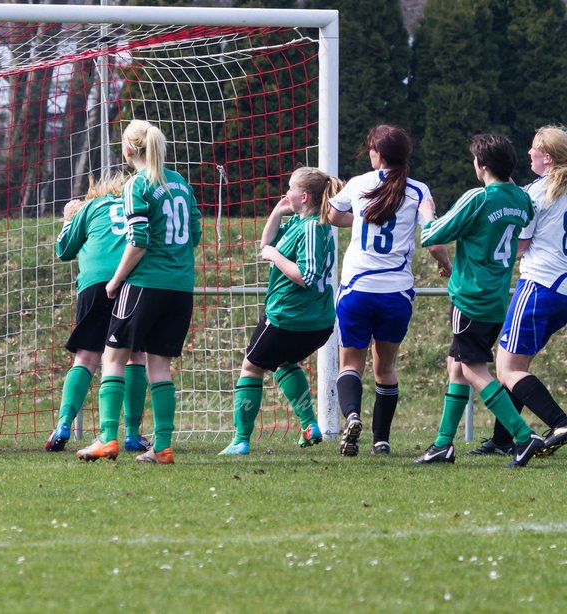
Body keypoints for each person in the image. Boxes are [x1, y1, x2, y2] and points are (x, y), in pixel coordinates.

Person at [414, 133, 544, 467]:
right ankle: (443, 444)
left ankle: (523, 435)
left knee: (472, 370)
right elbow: (517, 217)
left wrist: (427, 212)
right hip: (497, 298)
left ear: (481, 165)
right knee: (456, 366)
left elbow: (432, 234)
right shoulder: (521, 200)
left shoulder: (478, 198)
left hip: (470, 297)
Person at [77, 120, 201, 465]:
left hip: (146, 284)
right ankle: (162, 447)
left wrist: (115, 281)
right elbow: (195, 232)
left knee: (113, 357)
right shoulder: (180, 184)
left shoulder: (136, 185)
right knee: (159, 366)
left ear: (129, 149)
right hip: (181, 288)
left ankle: (107, 438)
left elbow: (139, 242)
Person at [326, 125, 451, 457]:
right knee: (386, 369)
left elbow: (333, 214)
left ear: (377, 155)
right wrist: (445, 264)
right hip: (396, 294)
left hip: (357, 290)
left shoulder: (358, 183)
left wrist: (365, 219)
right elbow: (434, 237)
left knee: (350, 365)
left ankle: (352, 416)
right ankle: (381, 440)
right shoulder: (418, 190)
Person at [220, 167, 341, 456]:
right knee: (285, 362)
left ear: (305, 196)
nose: (285, 192)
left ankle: (240, 440)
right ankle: (310, 425)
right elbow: (265, 245)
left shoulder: (313, 227)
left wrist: (275, 256)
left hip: (289, 317)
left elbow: (307, 276)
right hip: (311, 321)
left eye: (289, 188)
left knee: (251, 367)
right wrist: (277, 213)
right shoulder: (301, 224)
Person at [48, 173, 151, 454]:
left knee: (86, 356)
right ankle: (131, 433)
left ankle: (63, 424)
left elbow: (64, 250)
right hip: (132, 282)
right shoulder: (136, 204)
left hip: (94, 284)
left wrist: (69, 219)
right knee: (133, 356)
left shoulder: (92, 207)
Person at [490, 126, 567, 455]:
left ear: (546, 157)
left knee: (507, 369)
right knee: (519, 365)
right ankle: (502, 439)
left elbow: (519, 244)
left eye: (534, 149)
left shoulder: (536, 192)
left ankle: (560, 421)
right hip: (562, 290)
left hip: (539, 284)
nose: (528, 154)